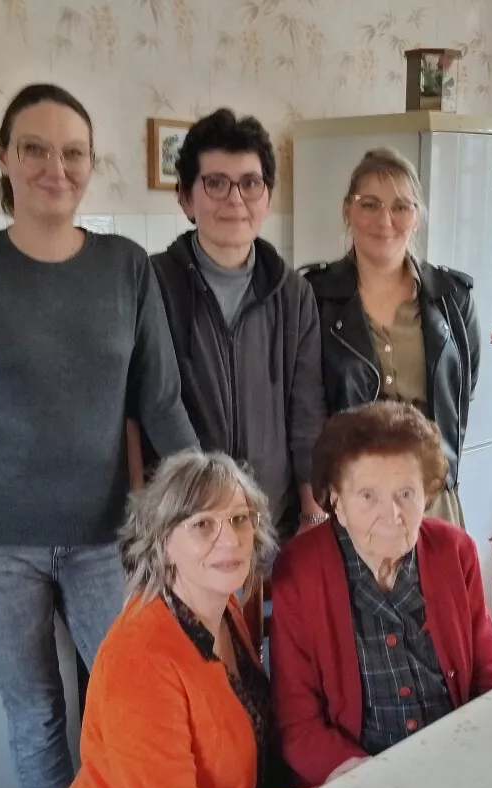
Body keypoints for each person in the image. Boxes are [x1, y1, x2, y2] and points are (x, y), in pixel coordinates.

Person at [0, 83, 197, 788]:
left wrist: (211, 503)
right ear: (4, 156)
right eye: (34, 148)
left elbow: (159, 403)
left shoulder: (127, 267)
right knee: (36, 715)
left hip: (102, 538)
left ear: (92, 165)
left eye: (72, 152)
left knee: (126, 701)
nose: (53, 167)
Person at [39, 450, 307, 788]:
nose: (229, 538)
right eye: (203, 525)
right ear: (163, 544)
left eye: (239, 519)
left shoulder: (223, 608)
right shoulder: (140, 659)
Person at [269, 402, 492, 787]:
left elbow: (489, 675)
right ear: (336, 502)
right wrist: (373, 783)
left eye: (405, 494)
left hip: (456, 762)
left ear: (426, 496)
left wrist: (473, 754)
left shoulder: (453, 551)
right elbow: (297, 724)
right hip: (354, 780)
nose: (391, 515)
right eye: (367, 496)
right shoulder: (300, 571)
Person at [149, 108, 327, 537]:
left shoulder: (294, 292)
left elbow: (306, 412)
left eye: (250, 183)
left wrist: (311, 513)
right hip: (184, 521)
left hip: (271, 521)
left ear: (267, 196)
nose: (235, 199)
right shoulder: (152, 284)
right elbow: (147, 409)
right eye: (215, 183)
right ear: (186, 199)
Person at [302, 147, 480, 526]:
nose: (385, 220)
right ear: (347, 211)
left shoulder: (452, 298)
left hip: (430, 495)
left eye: (401, 206)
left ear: (417, 217)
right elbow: (303, 404)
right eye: (370, 204)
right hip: (349, 495)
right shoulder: (314, 296)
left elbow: (462, 392)